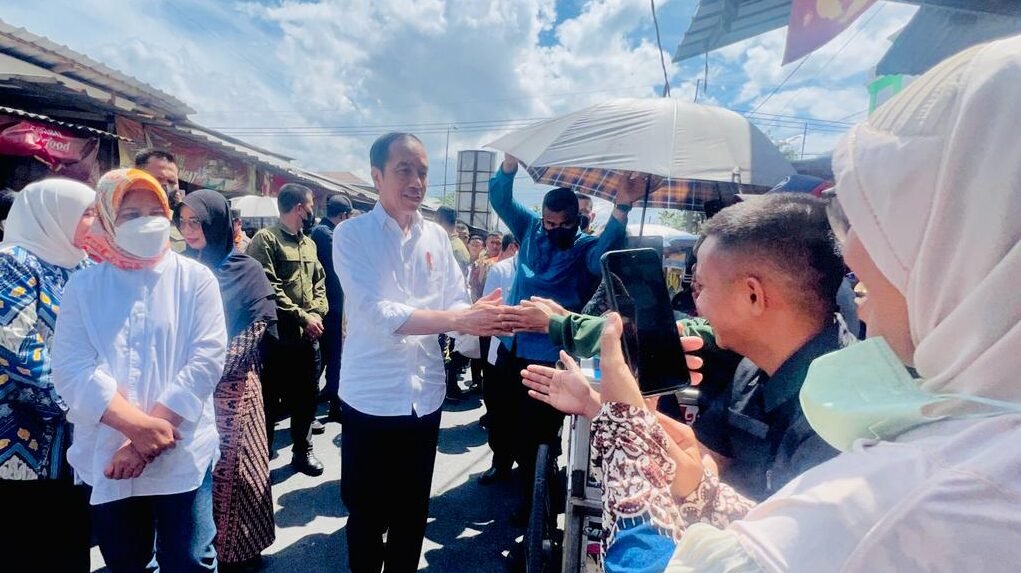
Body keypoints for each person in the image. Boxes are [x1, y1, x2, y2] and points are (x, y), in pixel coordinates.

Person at [575, 37, 1021, 572]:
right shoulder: (967, 430)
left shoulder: (910, 489)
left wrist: (625, 428)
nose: (856, 293)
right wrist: (690, 476)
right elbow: (753, 515)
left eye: (869, 277)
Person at [333, 132, 510, 573]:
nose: (416, 181)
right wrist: (459, 319)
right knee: (367, 512)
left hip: (424, 397)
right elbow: (378, 312)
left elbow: (454, 300)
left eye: (423, 172)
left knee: (412, 513)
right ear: (377, 176)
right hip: (371, 398)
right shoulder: (351, 235)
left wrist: (478, 316)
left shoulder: (435, 237)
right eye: (404, 170)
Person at [51, 168, 227, 573]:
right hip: (109, 452)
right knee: (127, 561)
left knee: (190, 559)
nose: (147, 222)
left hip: (181, 446)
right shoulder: (84, 287)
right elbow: (72, 367)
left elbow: (206, 359)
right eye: (131, 214)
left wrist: (144, 440)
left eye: (156, 212)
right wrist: (136, 428)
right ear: (108, 219)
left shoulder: (196, 280)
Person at [489, 153, 642, 519]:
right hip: (511, 345)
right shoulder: (529, 229)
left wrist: (622, 206)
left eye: (564, 224)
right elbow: (501, 200)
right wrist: (509, 165)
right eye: (550, 222)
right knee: (502, 419)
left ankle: (536, 504)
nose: (555, 229)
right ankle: (512, 470)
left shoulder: (584, 247)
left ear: (578, 220)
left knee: (535, 435)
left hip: (549, 356)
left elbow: (603, 253)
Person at [178, 190, 278, 571]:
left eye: (197, 222)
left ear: (216, 223)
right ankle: (200, 550)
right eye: (183, 222)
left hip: (233, 388)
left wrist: (208, 369)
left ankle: (241, 552)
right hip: (187, 388)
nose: (189, 230)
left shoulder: (246, 270)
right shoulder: (179, 268)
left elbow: (257, 327)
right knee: (194, 473)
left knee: (237, 472)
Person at [0, 179, 96, 572]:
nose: (96, 223)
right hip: (23, 440)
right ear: (57, 215)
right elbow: (16, 347)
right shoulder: (13, 262)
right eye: (88, 214)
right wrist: (87, 401)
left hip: (74, 442)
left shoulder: (82, 265)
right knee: (27, 546)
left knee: (69, 544)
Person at [247, 183, 329, 476]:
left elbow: (319, 283)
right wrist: (303, 317)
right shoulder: (266, 240)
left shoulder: (309, 243)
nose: (313, 211)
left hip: (308, 338)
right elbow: (268, 288)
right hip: (277, 339)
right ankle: (261, 457)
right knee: (269, 401)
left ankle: (302, 451)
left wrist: (316, 314)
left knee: (306, 398)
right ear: (299, 208)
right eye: (311, 206)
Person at [477, 232, 520, 485]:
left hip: (535, 356)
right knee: (499, 411)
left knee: (529, 417)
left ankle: (533, 468)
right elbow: (488, 309)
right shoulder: (501, 270)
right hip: (501, 353)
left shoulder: (549, 270)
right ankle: (500, 462)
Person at [310, 194, 354, 424]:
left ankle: (329, 394)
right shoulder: (327, 235)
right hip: (331, 307)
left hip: (328, 305)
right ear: (343, 215)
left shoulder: (322, 232)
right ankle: (333, 405)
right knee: (333, 356)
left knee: (328, 356)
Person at [135, 148, 186, 253]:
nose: (165, 187)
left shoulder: (185, 225)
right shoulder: (114, 219)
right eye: (157, 179)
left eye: (171, 181)